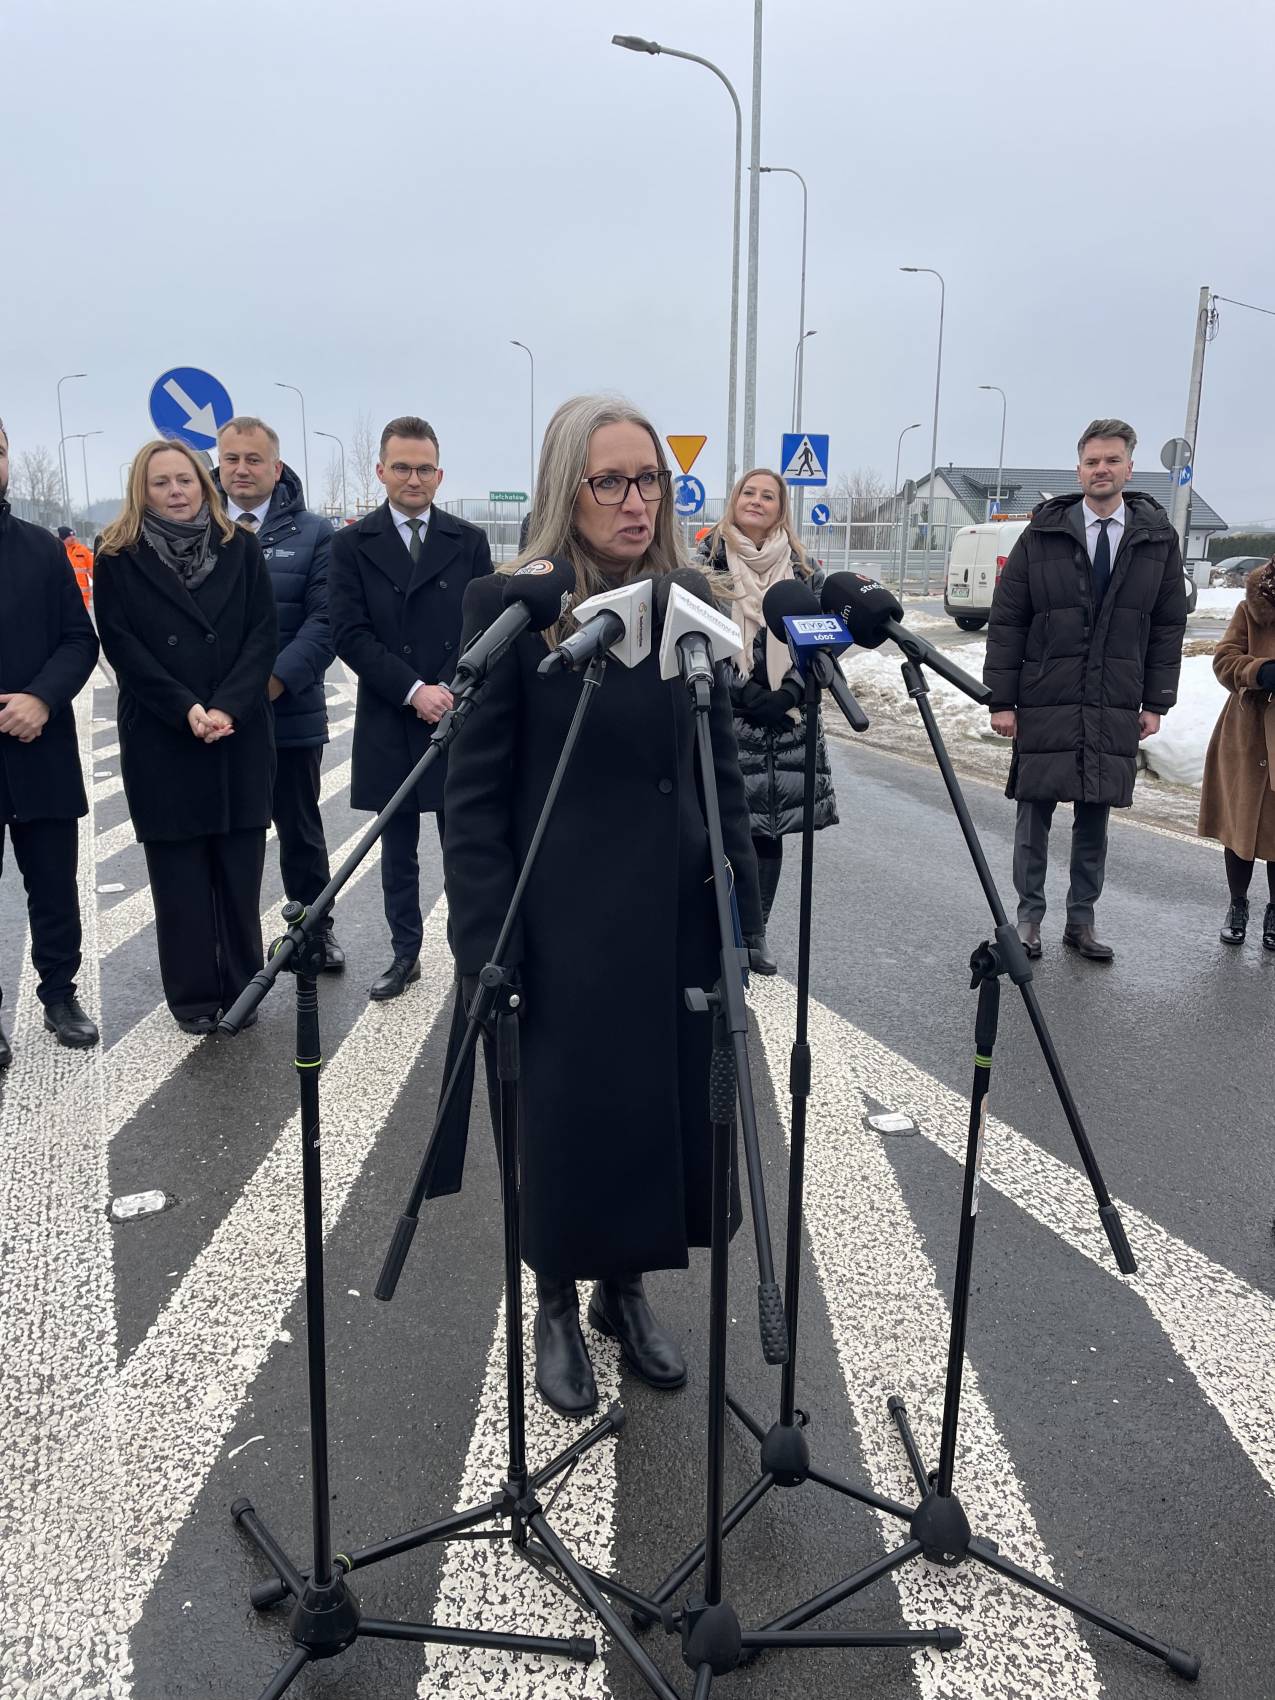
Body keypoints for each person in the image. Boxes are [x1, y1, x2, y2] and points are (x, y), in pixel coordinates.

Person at [443, 394, 762, 1419]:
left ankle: (623, 1291)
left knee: (654, 1113)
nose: (635, 500)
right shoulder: (514, 605)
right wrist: (485, 939)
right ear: (565, 490)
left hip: (670, 921)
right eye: (610, 481)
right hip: (560, 927)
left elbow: (716, 763)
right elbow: (473, 794)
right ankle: (552, 1298)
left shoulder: (687, 596)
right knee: (562, 1120)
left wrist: (740, 905)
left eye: (649, 479)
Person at [985, 419, 1187, 962]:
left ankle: (1081, 921)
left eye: (1112, 460)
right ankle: (1029, 919)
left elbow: (1167, 626)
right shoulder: (1042, 534)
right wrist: (1001, 700)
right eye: (1092, 461)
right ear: (1078, 470)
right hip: (1045, 693)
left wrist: (1156, 703)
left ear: (1129, 469)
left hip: (1114, 696)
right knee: (1034, 812)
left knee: (1095, 813)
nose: (1102, 470)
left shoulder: (1156, 540)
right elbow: (1009, 619)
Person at [94, 440, 278, 1034]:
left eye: (185, 480)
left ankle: (244, 988)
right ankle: (194, 996)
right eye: (161, 483)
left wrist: (226, 706)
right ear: (142, 492)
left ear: (204, 484)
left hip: (237, 732)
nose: (175, 492)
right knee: (178, 880)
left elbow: (262, 633)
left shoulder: (240, 547)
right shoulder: (117, 555)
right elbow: (123, 646)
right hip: (162, 734)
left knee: (240, 873)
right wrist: (186, 709)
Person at [328, 416, 492, 1000]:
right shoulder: (351, 545)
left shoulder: (468, 541)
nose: (413, 479)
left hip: (456, 710)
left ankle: (469, 952)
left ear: (439, 475)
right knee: (396, 850)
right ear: (381, 471)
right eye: (402, 467)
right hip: (391, 711)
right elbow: (349, 632)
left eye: (424, 469)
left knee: (463, 844)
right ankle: (405, 955)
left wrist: (450, 688)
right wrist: (414, 690)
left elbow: (483, 623)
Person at [697, 468, 838, 975]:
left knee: (768, 832)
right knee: (719, 831)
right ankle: (716, 934)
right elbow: (696, 639)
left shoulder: (804, 569)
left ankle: (756, 934)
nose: (757, 501)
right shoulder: (706, 563)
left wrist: (793, 692)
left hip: (786, 725)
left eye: (769, 496)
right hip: (727, 719)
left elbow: (823, 639)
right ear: (735, 500)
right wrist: (745, 692)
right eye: (749, 493)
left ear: (781, 509)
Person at [215, 416, 343, 971]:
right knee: (223, 834)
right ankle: (230, 947)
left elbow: (326, 620)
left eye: (254, 459)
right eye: (232, 459)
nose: (242, 469)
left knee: (301, 830)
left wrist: (269, 684)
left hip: (287, 708)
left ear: (276, 467)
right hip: (211, 716)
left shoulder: (314, 534)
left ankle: (314, 933)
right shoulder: (197, 525)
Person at [0, 418, 101, 1063]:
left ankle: (60, 995)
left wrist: (40, 697)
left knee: (54, 885)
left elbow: (78, 639)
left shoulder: (41, 549)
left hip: (39, 743)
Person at [1198, 559, 1275, 948]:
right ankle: (1238, 904)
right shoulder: (1251, 609)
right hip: (1246, 734)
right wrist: (1259, 671)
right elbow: (1224, 659)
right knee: (1239, 823)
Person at [57, 526, 95, 609]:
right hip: (64, 594)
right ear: (63, 538)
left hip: (82, 594)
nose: (73, 538)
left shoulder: (83, 550)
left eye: (73, 535)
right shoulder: (57, 551)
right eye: (69, 536)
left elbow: (92, 570)